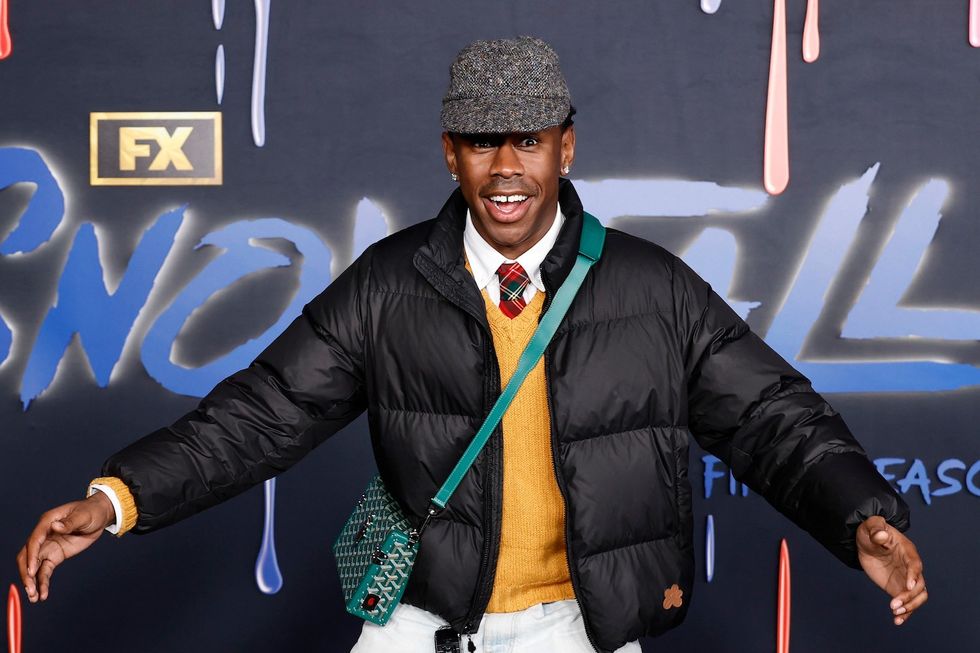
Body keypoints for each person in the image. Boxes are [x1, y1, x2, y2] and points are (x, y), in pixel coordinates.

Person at [17, 36, 926, 653]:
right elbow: (264, 413)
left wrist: (861, 515)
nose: (505, 169)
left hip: (582, 624)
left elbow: (771, 416)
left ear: (564, 147)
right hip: (422, 619)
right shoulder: (388, 282)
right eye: (482, 143)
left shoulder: (651, 287)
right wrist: (118, 495)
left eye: (527, 140)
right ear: (448, 153)